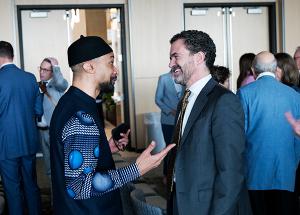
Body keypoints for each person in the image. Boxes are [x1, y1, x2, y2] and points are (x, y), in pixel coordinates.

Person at [50, 35, 175, 215]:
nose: (115, 70)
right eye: (110, 62)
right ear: (89, 66)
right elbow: (80, 185)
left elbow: (72, 156)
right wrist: (137, 169)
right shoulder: (81, 115)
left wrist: (104, 149)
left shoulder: (73, 103)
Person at [167, 30, 251, 215]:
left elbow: (231, 171)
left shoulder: (223, 101)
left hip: (207, 207)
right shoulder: (185, 99)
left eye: (175, 57)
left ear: (198, 57)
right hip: (182, 202)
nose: (170, 64)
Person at [237, 51, 300, 215]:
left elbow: (239, 134)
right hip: (285, 169)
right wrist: (293, 163)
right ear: (275, 69)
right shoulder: (294, 95)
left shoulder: (245, 93)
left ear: (253, 69)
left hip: (254, 169)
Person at [0, 41, 43, 214]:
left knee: (12, 190)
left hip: (5, 145)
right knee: (31, 185)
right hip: (28, 142)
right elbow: (38, 111)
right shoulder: (30, 78)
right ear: (12, 56)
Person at [38, 57, 68, 181]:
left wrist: (56, 67)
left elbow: (62, 84)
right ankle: (54, 198)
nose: (41, 72)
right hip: (41, 131)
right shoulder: (38, 85)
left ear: (52, 72)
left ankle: (63, 198)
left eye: (45, 70)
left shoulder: (57, 85)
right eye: (41, 68)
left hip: (54, 131)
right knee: (48, 168)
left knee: (59, 167)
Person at [155, 70, 183, 184]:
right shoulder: (164, 78)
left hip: (181, 119)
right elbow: (158, 99)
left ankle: (179, 174)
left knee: (180, 148)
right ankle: (167, 174)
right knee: (170, 147)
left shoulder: (184, 76)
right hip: (168, 120)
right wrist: (169, 111)